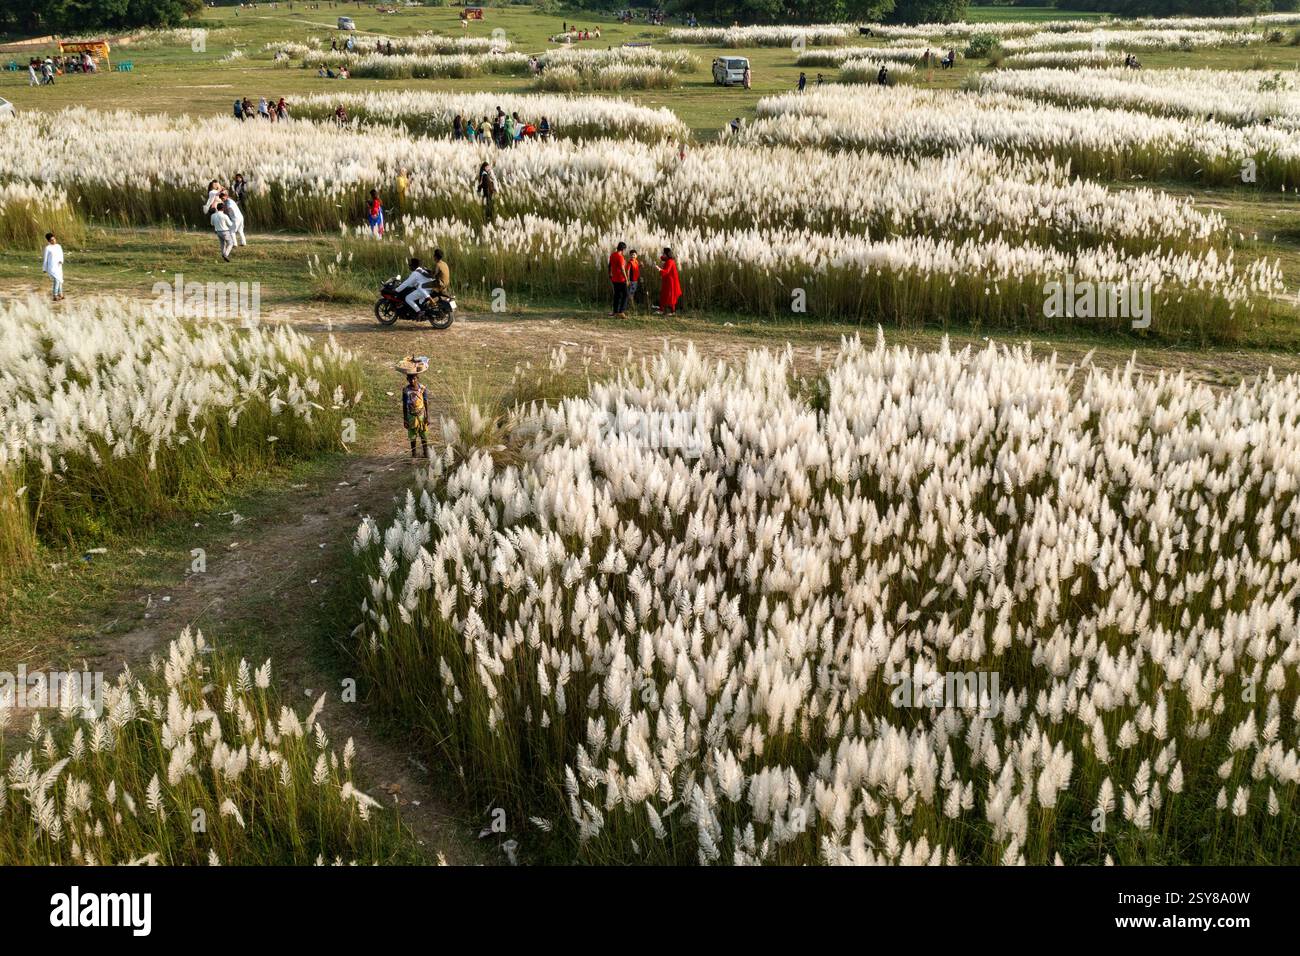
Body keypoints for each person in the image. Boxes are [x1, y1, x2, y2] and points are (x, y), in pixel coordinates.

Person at [399, 360, 429, 459]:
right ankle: (414, 454)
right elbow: (404, 405)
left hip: (421, 415)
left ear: (417, 378)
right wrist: (405, 419)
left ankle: (426, 453)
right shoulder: (406, 390)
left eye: (414, 378)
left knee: (424, 435)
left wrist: (427, 416)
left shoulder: (423, 388)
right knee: (412, 437)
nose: (412, 381)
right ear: (407, 379)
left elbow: (425, 402)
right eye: (410, 379)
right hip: (411, 416)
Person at [655, 247, 681, 315]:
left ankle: (670, 311)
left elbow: (667, 271)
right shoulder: (668, 260)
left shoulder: (670, 262)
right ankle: (664, 310)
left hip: (670, 282)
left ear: (667, 254)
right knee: (665, 294)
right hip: (667, 280)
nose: (662, 254)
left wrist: (659, 269)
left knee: (669, 295)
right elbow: (662, 258)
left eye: (664, 253)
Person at [609, 241, 628, 318]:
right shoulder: (620, 257)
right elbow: (622, 269)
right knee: (625, 295)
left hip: (614, 279)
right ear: (623, 249)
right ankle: (621, 312)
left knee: (617, 295)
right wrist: (626, 279)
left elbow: (609, 265)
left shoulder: (612, 255)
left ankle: (615, 311)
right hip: (621, 279)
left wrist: (609, 273)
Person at [43, 232, 64, 301]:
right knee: (57, 280)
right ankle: (55, 295)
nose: (54, 241)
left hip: (58, 266)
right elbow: (45, 259)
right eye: (51, 240)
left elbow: (61, 255)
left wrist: (61, 260)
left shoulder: (58, 246)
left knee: (60, 280)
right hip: (52, 267)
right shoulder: (48, 248)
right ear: (49, 241)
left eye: (54, 239)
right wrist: (44, 268)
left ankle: (60, 294)